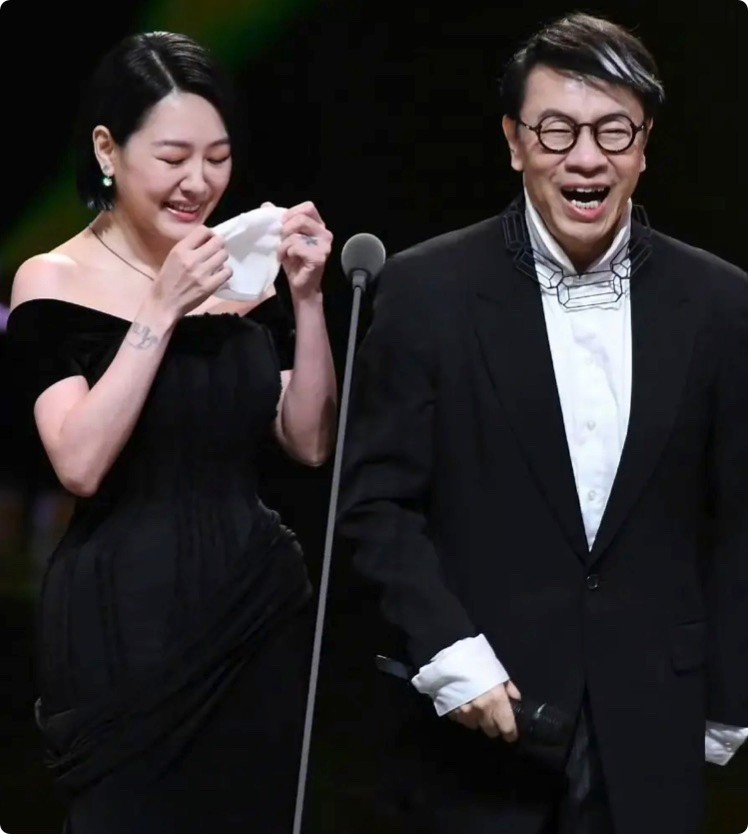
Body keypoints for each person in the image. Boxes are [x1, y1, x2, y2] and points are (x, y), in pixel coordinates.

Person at [337, 11, 748, 834]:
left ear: (644, 145)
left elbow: (736, 516)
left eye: (613, 131)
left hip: (655, 729)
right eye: (556, 131)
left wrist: (728, 697)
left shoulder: (721, 302)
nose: (586, 158)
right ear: (514, 142)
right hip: (479, 724)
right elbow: (375, 505)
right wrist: (451, 653)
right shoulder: (427, 291)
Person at [6, 31, 336, 834]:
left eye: (217, 158)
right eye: (173, 157)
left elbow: (308, 440)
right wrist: (161, 306)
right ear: (107, 150)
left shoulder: (236, 271)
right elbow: (79, 461)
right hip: (125, 625)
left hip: (253, 605)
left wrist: (307, 300)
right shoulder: (51, 278)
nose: (200, 182)